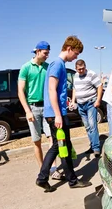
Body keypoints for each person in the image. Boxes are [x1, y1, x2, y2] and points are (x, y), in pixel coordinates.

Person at [36, 36, 92, 192]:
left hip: (56, 113)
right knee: (58, 145)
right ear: (68, 48)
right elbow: (51, 89)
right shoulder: (58, 65)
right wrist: (58, 115)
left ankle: (70, 179)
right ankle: (43, 177)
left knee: (63, 145)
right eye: (76, 53)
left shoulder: (57, 64)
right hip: (56, 114)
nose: (76, 57)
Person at [18, 41, 52, 167]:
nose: (47, 56)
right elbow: (20, 91)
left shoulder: (47, 67)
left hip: (47, 107)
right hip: (33, 108)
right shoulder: (26, 67)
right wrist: (27, 111)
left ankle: (53, 168)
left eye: (48, 53)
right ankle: (42, 169)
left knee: (52, 139)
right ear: (38, 51)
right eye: (45, 53)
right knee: (37, 141)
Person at [71, 59, 103, 157]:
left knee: (93, 125)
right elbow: (74, 89)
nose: (81, 71)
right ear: (76, 69)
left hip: (90, 104)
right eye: (79, 69)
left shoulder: (91, 74)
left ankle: (96, 148)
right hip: (80, 105)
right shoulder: (75, 76)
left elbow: (100, 86)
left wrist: (98, 100)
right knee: (87, 127)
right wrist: (73, 101)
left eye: (82, 68)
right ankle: (92, 146)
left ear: (85, 67)